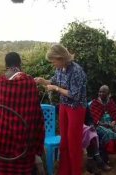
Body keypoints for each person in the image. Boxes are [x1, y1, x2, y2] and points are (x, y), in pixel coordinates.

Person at [0, 52, 45, 175]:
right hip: (24, 143)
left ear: (6, 65)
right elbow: (37, 115)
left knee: (5, 171)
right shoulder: (29, 82)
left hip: (3, 141)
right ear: (20, 64)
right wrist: (37, 146)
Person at [35, 44, 87, 175]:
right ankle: (64, 171)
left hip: (76, 108)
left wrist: (56, 89)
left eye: (53, 61)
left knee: (73, 142)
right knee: (64, 141)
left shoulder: (76, 70)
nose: (53, 64)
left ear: (61, 57)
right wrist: (42, 81)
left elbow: (74, 95)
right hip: (64, 106)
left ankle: (75, 172)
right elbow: (52, 82)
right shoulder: (60, 69)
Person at [89, 85, 116, 169]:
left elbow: (115, 115)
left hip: (112, 123)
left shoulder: (111, 102)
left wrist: (114, 122)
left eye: (103, 92)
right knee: (107, 133)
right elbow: (94, 119)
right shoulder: (94, 103)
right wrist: (106, 125)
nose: (101, 93)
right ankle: (105, 159)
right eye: (100, 91)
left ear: (108, 93)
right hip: (100, 124)